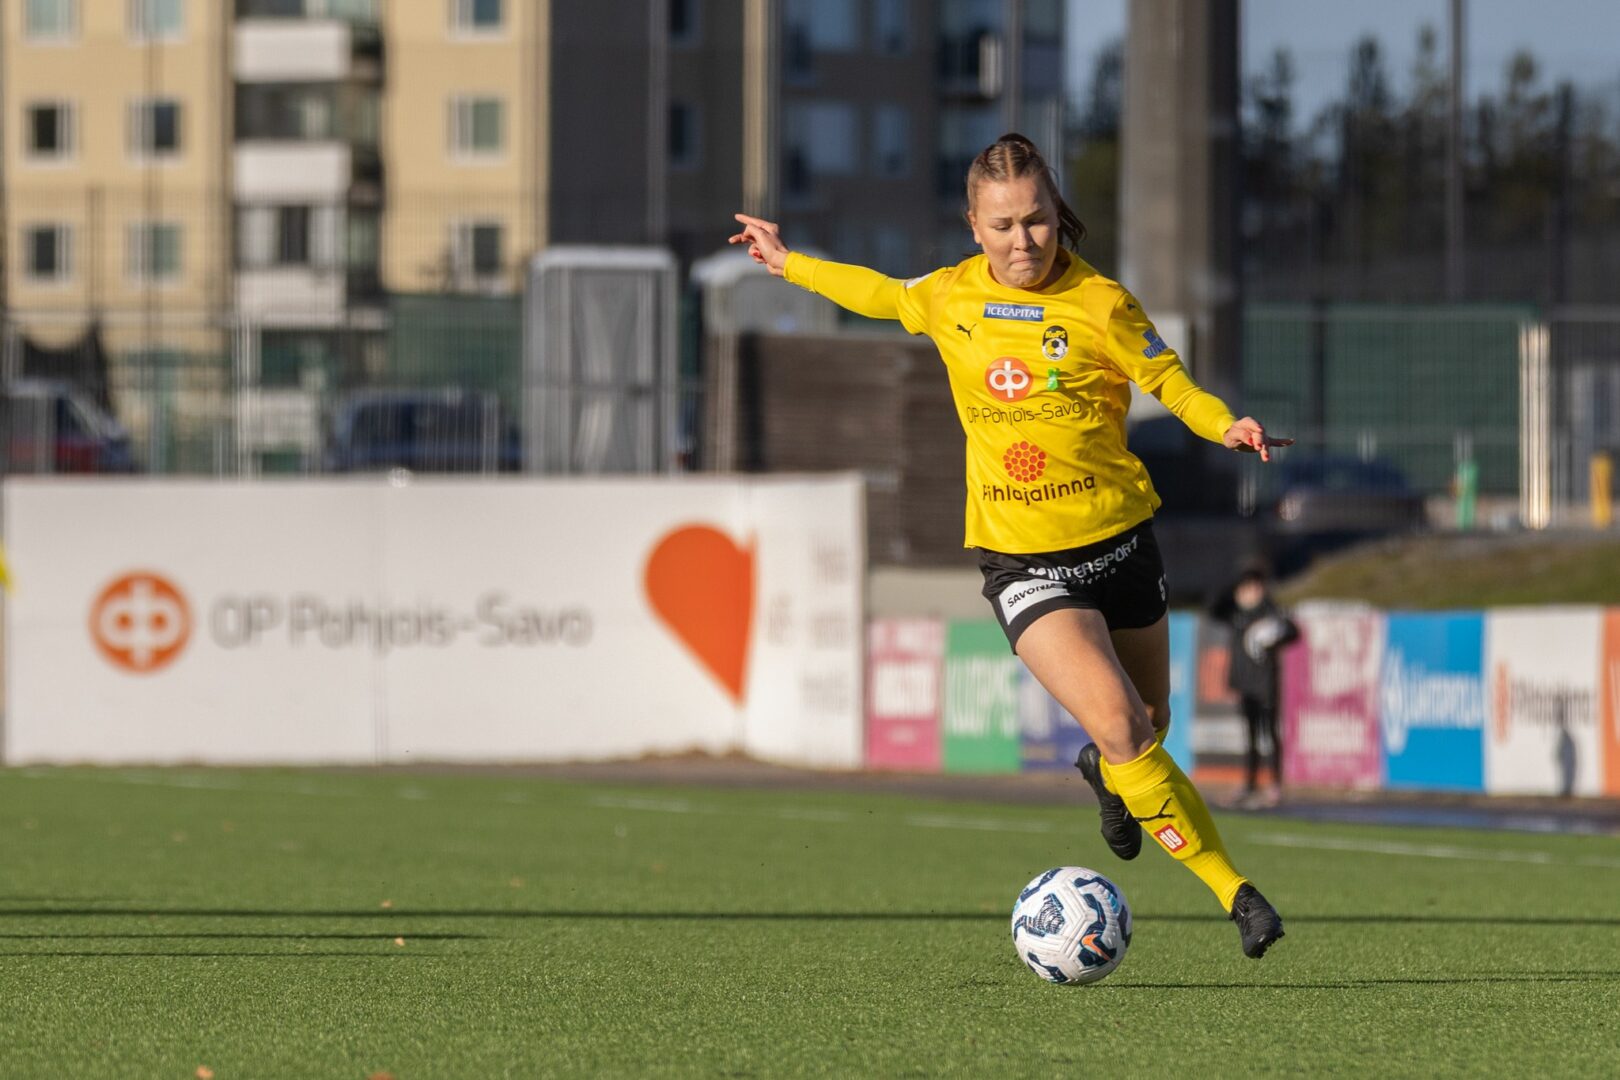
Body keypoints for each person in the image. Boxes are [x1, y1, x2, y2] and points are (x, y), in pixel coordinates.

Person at [731, 133, 1295, 960]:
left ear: (1056, 215)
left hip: (1121, 542)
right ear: (973, 226)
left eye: (1035, 221)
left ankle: (1107, 775)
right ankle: (1236, 894)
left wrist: (1226, 425)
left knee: (1149, 723)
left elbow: (1168, 382)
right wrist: (790, 264)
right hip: (1026, 563)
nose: (1022, 241)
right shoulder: (951, 295)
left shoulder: (1101, 302)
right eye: (1002, 226)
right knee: (1124, 727)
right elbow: (879, 293)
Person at [1208, 564, 1299, 807]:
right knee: (1250, 736)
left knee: (1270, 734)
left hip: (1266, 683)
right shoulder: (1235, 612)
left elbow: (1292, 631)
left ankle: (1275, 785)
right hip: (1245, 684)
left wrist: (1273, 624)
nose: (1252, 592)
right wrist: (1233, 590)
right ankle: (1250, 785)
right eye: (1246, 587)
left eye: (1255, 587)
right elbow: (1213, 609)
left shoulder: (1270, 612)